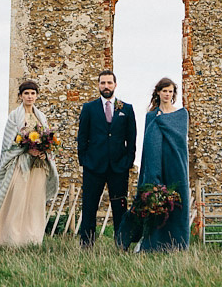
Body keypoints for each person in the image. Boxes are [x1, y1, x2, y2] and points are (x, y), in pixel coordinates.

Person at [118, 77, 190, 252]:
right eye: (164, 91)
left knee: (178, 204)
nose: (167, 94)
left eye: (170, 91)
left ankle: (177, 244)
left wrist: (162, 121)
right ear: (158, 92)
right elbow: (150, 144)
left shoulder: (181, 115)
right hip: (156, 165)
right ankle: (153, 243)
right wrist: (151, 172)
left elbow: (181, 141)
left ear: (174, 94)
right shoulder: (152, 116)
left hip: (176, 165)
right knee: (155, 203)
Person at [0, 80, 60, 247]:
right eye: (26, 93)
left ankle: (32, 240)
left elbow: (47, 138)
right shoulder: (14, 116)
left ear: (37, 96)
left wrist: (43, 151)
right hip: (21, 164)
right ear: (20, 96)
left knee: (35, 203)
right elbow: (9, 144)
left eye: (33, 93)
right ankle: (10, 239)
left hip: (38, 166)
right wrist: (26, 150)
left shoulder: (41, 117)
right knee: (17, 201)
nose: (29, 96)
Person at [77, 69, 137, 247]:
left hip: (118, 167)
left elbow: (131, 139)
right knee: (89, 207)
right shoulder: (89, 108)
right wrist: (84, 161)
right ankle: (87, 244)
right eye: (103, 83)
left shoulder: (126, 109)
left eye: (109, 83)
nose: (106, 86)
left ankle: (121, 244)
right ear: (98, 85)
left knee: (120, 208)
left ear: (115, 85)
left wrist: (128, 161)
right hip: (93, 167)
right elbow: (82, 137)